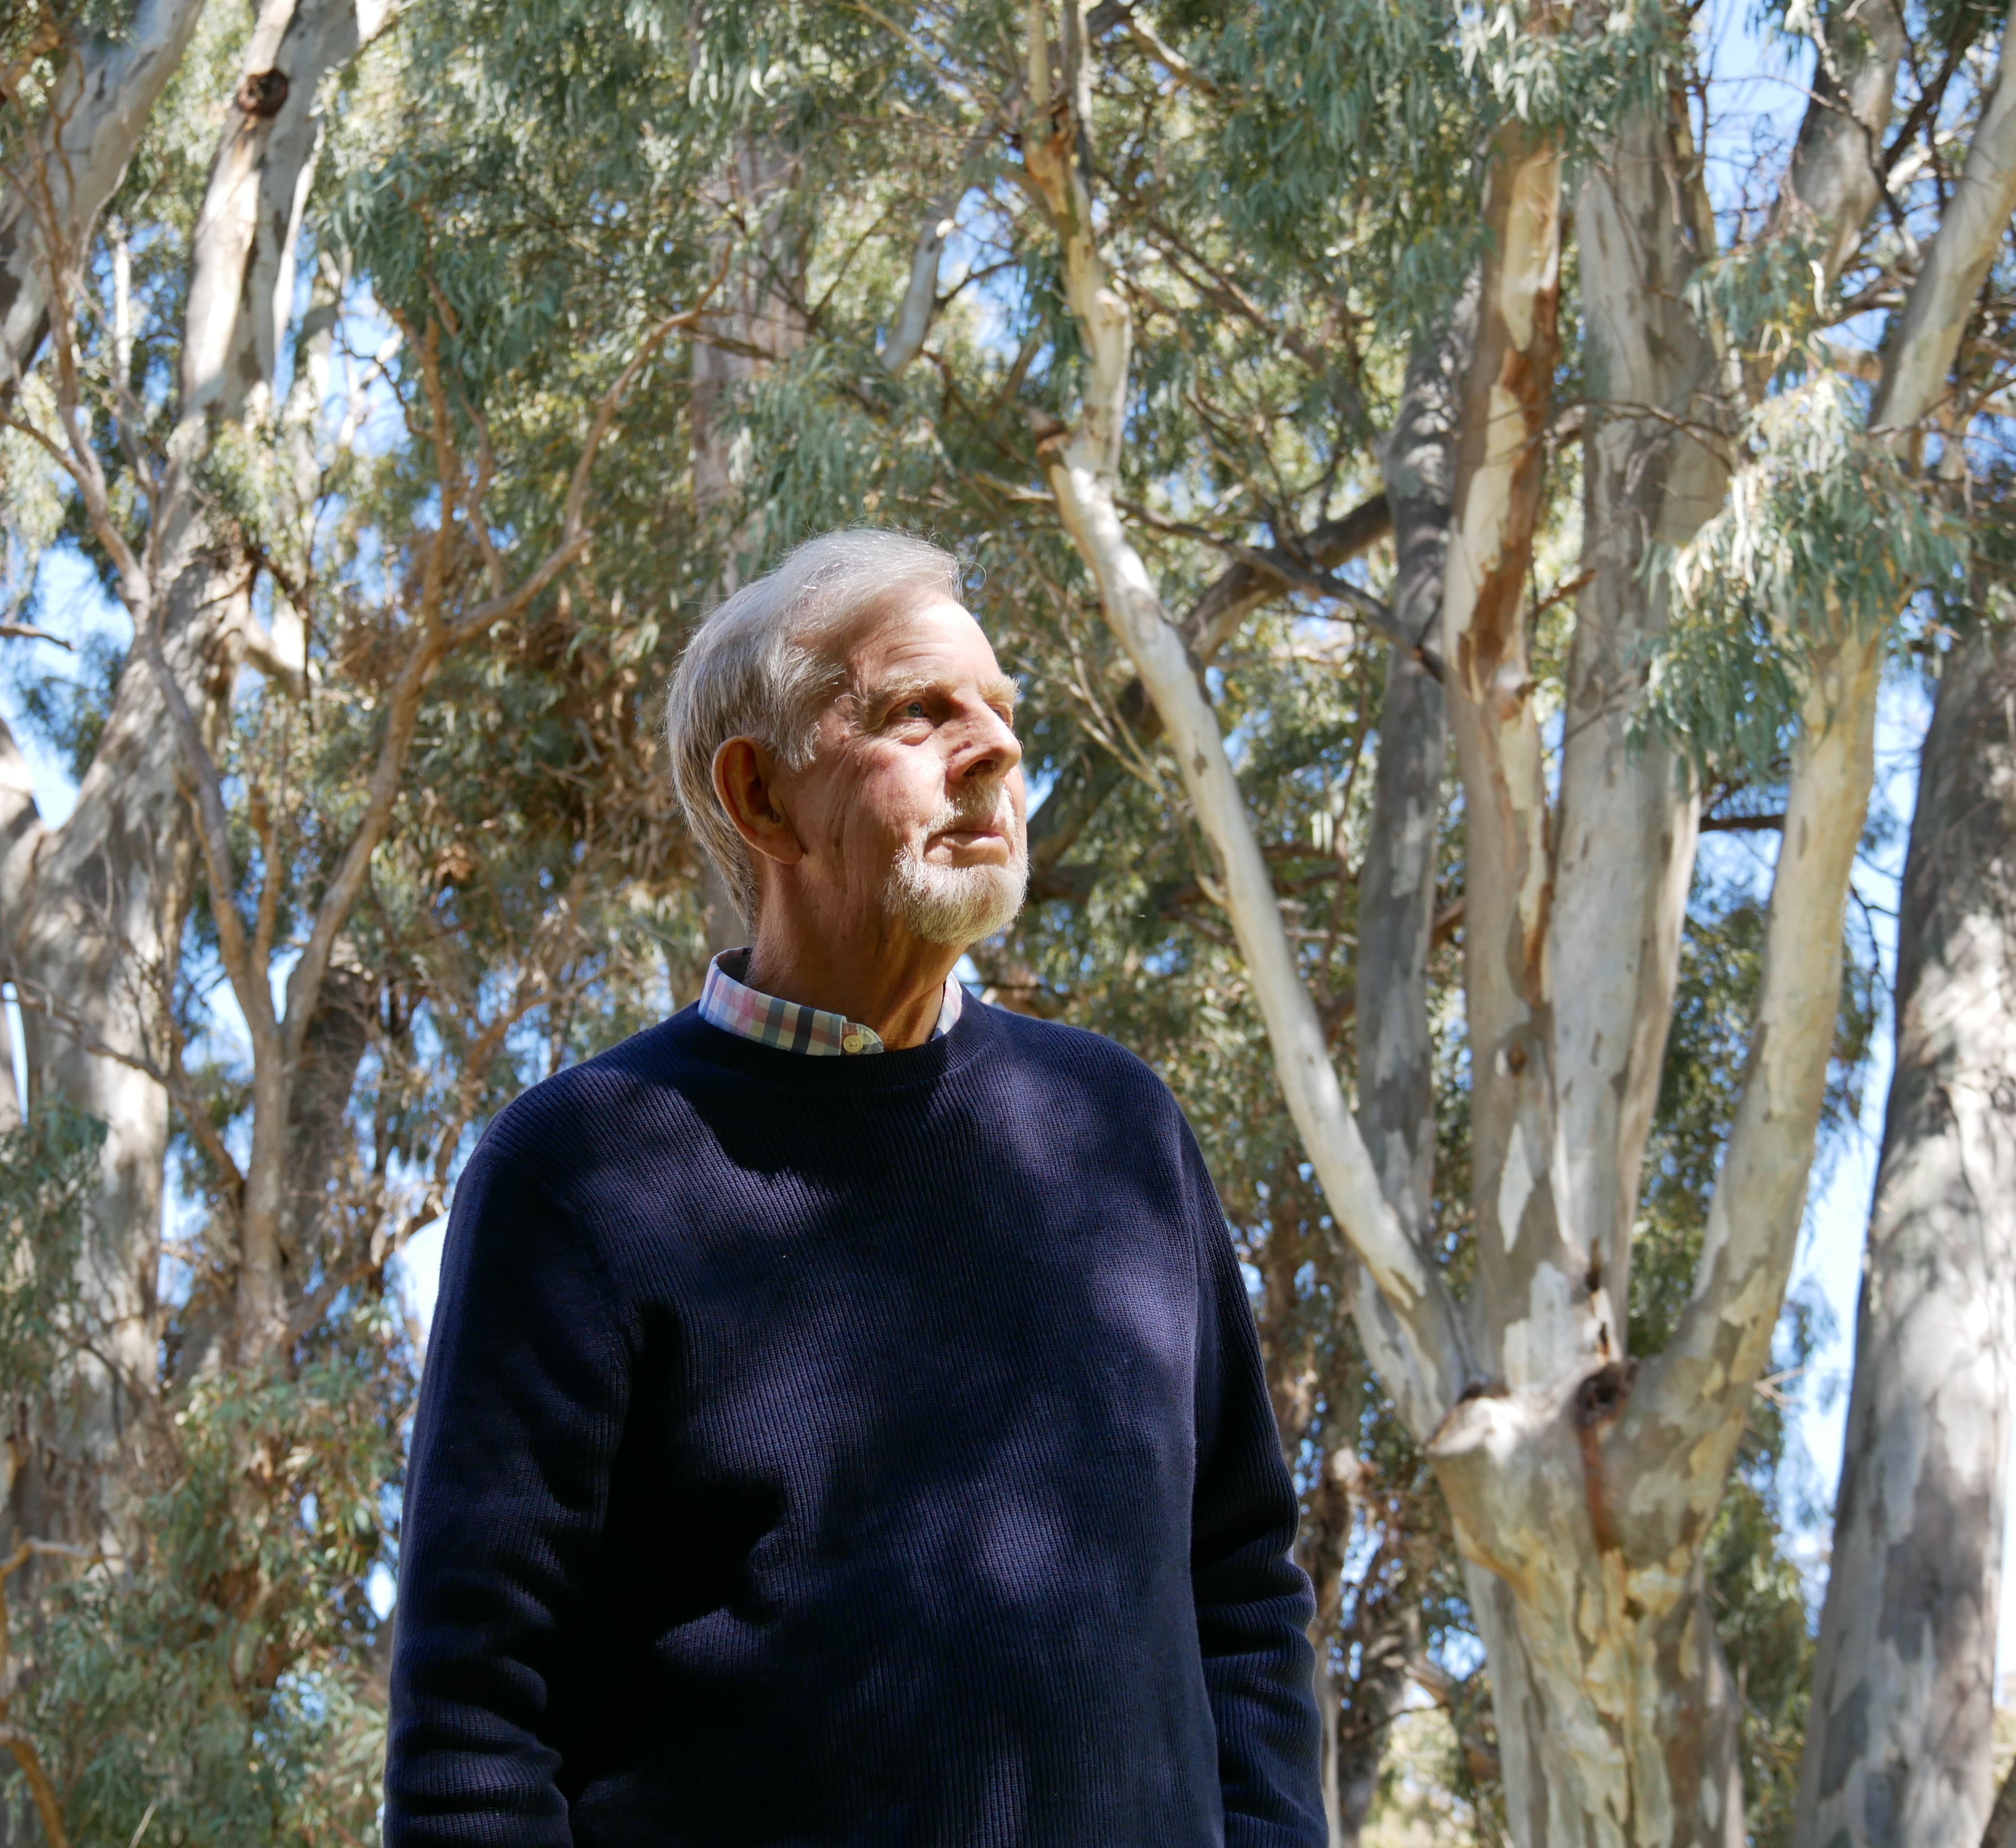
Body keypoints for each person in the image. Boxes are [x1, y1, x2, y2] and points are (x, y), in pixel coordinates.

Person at [385, 530, 1324, 1847]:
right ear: (762, 798)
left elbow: (1237, 1583)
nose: (993, 749)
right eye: (916, 713)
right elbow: (477, 1724)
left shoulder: (1118, 1131)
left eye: (1001, 711)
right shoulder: (580, 1171)